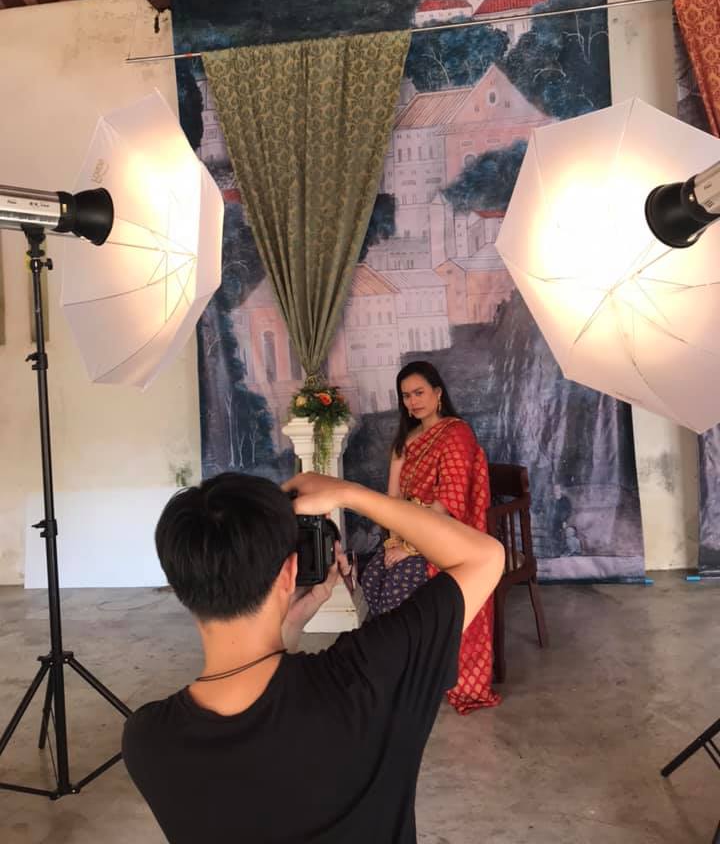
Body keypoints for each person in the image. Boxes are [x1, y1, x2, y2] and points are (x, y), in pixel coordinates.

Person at [122, 471, 504, 844]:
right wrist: (349, 493)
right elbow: (483, 557)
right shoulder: (367, 679)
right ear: (290, 571)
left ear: (178, 583)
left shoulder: (148, 741)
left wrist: (292, 621)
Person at [361, 361, 501, 713]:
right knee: (373, 576)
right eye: (406, 396)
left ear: (438, 393)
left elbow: (449, 501)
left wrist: (411, 547)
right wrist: (393, 540)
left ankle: (409, 676)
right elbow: (392, 499)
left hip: (444, 535)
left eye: (419, 392)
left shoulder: (456, 433)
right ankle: (397, 668)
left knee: (399, 583)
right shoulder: (405, 440)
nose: (413, 401)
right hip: (407, 530)